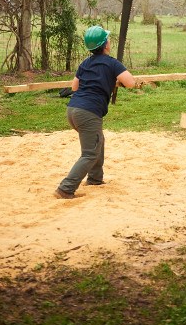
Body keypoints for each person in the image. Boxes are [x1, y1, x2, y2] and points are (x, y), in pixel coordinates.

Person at [55, 25, 137, 199]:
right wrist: (114, 79)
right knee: (90, 153)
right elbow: (130, 82)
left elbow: (74, 87)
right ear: (106, 44)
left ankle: (95, 178)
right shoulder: (112, 63)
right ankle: (66, 188)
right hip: (88, 113)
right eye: (108, 39)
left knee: (97, 141)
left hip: (73, 110)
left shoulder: (85, 63)